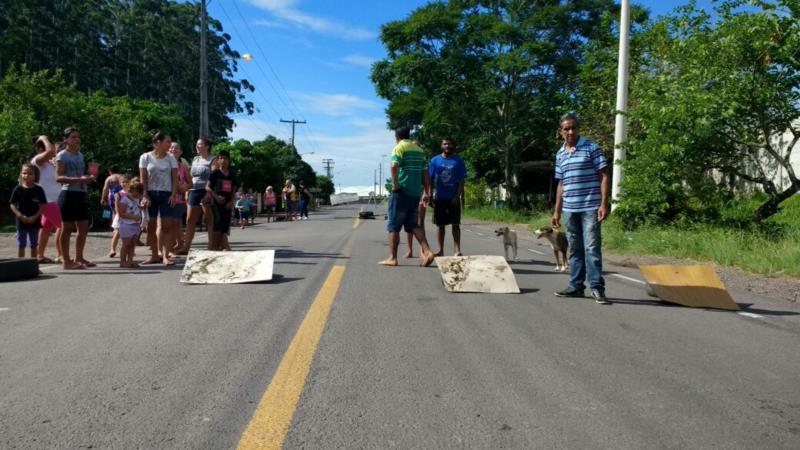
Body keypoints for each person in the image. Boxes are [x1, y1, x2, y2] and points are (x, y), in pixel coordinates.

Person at [551, 113, 611, 305]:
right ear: (560, 131)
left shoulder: (591, 147)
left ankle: (597, 288)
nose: (570, 131)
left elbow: (604, 175)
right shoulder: (560, 154)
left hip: (590, 207)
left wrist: (603, 203)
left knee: (591, 248)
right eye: (566, 128)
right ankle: (576, 286)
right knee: (574, 249)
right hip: (569, 209)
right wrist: (557, 211)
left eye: (573, 127)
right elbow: (561, 184)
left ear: (578, 128)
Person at [379, 126, 435, 267]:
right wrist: (426, 192)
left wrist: (396, 185)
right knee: (412, 224)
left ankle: (392, 258)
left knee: (393, 225)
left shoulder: (399, 147)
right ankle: (427, 251)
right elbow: (425, 174)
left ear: (397, 137)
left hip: (401, 192)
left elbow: (393, 166)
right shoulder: (419, 150)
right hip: (415, 192)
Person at [56, 127, 95, 269]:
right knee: (66, 228)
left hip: (81, 193)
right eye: (73, 137)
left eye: (78, 136)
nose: (77, 139)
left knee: (84, 228)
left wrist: (88, 179)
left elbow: (81, 175)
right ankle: (66, 261)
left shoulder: (80, 155)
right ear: (66, 139)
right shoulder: (62, 155)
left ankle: (79, 257)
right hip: (68, 194)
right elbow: (58, 177)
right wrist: (79, 179)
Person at [139, 130, 179, 265]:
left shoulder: (171, 158)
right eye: (167, 141)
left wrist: (174, 194)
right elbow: (143, 178)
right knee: (151, 227)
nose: (169, 144)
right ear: (158, 142)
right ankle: (154, 255)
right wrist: (144, 194)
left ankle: (166, 256)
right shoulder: (145, 157)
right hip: (150, 194)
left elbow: (175, 179)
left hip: (166, 194)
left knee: (167, 226)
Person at [429, 137, 467, 256]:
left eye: (449, 144)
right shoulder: (435, 161)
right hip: (440, 198)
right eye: (445, 144)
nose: (447, 146)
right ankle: (440, 250)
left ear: (453, 146)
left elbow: (461, 181)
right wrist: (429, 195)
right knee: (440, 225)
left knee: (455, 225)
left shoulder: (458, 161)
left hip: (453, 198)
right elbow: (430, 179)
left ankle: (457, 250)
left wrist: (457, 196)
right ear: (441, 146)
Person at [177, 138, 215, 254]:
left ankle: (211, 245)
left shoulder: (213, 160)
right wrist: (188, 190)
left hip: (205, 190)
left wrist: (209, 192)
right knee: (189, 220)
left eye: (200, 144)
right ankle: (186, 247)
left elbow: (214, 177)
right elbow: (191, 176)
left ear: (207, 146)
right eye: (197, 145)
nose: (197, 147)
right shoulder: (195, 159)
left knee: (208, 220)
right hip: (194, 190)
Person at [30, 135, 63, 264]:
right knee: (63, 226)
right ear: (40, 150)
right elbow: (50, 152)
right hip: (47, 201)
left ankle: (39, 255)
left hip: (55, 200)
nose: (54, 152)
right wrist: (44, 138)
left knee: (45, 229)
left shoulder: (50, 163)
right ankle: (61, 255)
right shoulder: (37, 161)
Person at [9, 164, 47, 258]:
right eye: (24, 173)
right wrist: (20, 215)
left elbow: (43, 205)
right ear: (21, 175)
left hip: (34, 222)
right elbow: (12, 204)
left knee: (33, 244)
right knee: (21, 244)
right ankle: (20, 265)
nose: (26, 175)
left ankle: (33, 265)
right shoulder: (18, 189)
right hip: (21, 222)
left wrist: (35, 216)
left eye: (30, 173)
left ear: (35, 176)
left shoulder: (39, 189)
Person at [207, 150, 239, 250]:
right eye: (220, 158)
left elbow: (234, 189)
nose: (223, 160)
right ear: (218, 160)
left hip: (227, 205)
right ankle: (214, 248)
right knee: (218, 225)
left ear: (228, 160)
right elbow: (207, 187)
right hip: (216, 203)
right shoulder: (215, 173)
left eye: (225, 158)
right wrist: (216, 196)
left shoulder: (232, 175)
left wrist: (231, 202)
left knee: (224, 227)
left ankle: (221, 247)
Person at [115, 177, 146, 268]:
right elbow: (121, 213)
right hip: (126, 225)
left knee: (132, 244)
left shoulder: (136, 199)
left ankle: (130, 261)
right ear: (132, 190)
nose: (140, 194)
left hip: (135, 225)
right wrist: (134, 217)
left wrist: (142, 207)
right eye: (139, 192)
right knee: (126, 244)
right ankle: (122, 262)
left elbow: (135, 208)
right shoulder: (124, 200)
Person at [169, 142, 192, 252]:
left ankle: (178, 243)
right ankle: (173, 244)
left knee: (176, 223)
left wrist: (184, 188)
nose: (173, 149)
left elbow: (190, 183)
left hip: (179, 198)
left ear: (181, 152)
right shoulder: (164, 164)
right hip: (166, 197)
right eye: (171, 147)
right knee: (168, 223)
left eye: (176, 148)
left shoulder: (183, 166)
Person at [100, 165, 124, 257]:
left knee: (114, 213)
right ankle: (117, 227)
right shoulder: (121, 177)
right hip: (121, 197)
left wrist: (103, 198)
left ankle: (114, 227)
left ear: (110, 171)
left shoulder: (109, 178)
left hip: (112, 198)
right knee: (120, 213)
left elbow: (105, 189)